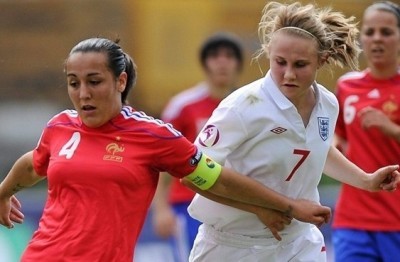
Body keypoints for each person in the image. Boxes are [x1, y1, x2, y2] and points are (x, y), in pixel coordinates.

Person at [0, 37, 345, 261]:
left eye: (94, 82)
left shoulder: (153, 136)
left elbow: (213, 178)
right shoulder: (60, 125)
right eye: (74, 84)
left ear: (120, 82)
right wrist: (3, 192)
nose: (83, 94)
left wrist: (278, 206)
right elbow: (34, 164)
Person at [182, 2, 400, 261]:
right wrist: (267, 207)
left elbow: (316, 148)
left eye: (300, 65)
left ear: (322, 60)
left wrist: (366, 180)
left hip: (298, 242)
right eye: (280, 62)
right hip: (232, 246)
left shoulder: (328, 103)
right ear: (268, 54)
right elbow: (192, 173)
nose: (288, 74)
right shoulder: (243, 106)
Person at [151, 32, 243, 261]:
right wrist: (160, 209)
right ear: (204, 64)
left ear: (238, 64)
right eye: (214, 56)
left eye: (229, 56)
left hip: (236, 204)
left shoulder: (248, 104)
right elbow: (162, 160)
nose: (222, 62)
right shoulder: (183, 106)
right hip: (188, 204)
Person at [332, 1, 400, 261]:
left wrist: (391, 128)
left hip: (396, 221)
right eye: (370, 32)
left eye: (386, 32)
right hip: (353, 219)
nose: (377, 39)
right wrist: (337, 144)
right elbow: (340, 134)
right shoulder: (346, 86)